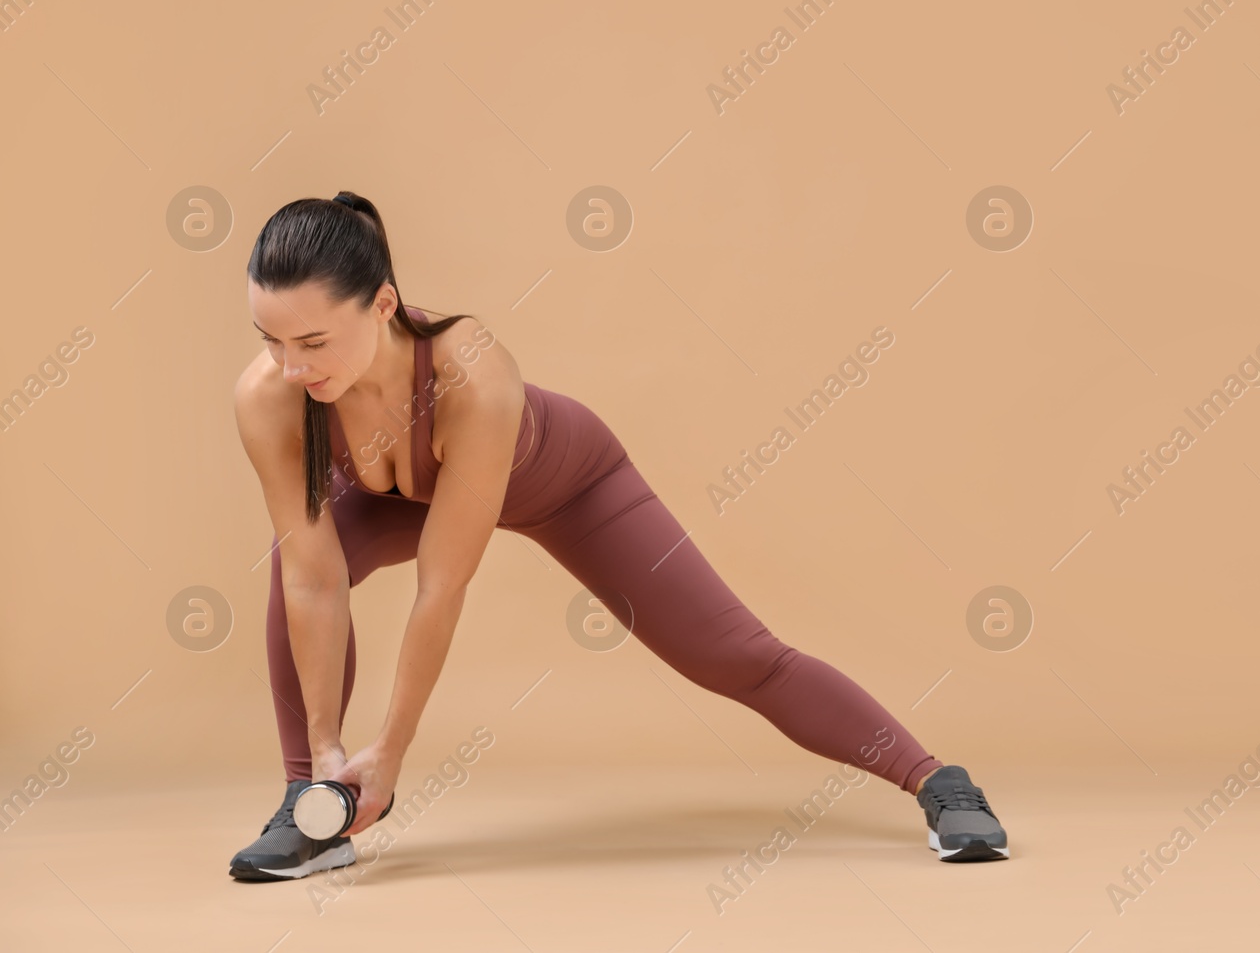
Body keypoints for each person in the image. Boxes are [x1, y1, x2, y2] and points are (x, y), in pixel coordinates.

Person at [227, 191, 1009, 881]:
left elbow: (442, 586)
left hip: (569, 484)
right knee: (290, 569)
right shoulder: (269, 397)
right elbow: (314, 579)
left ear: (384, 305)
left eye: (314, 343)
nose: (291, 366)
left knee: (735, 655)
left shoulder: (472, 372)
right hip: (404, 498)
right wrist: (331, 749)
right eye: (271, 338)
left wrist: (391, 753)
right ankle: (309, 802)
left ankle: (936, 780)